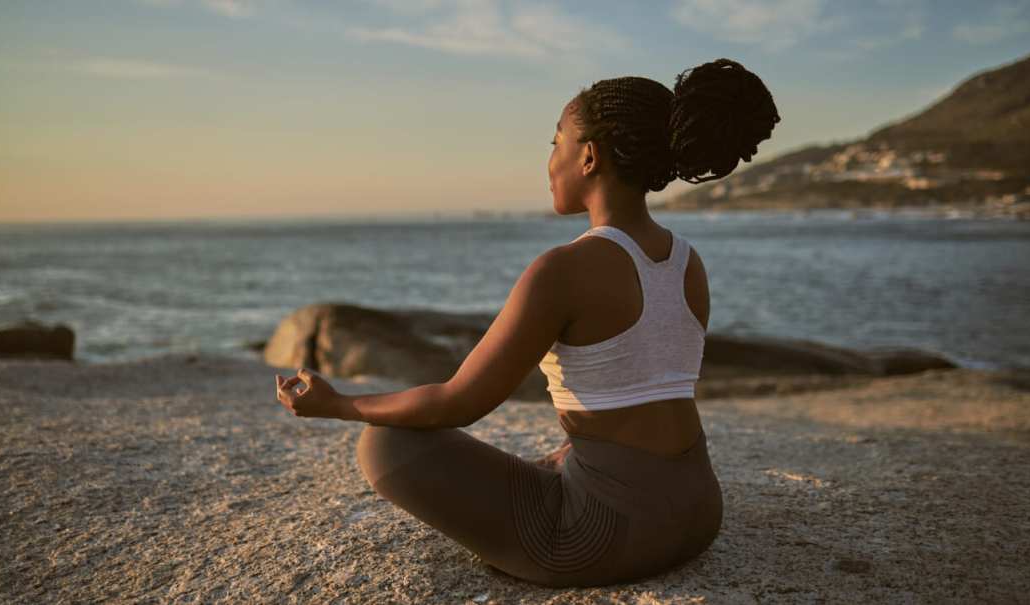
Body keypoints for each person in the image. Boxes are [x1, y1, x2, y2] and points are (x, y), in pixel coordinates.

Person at [275, 58, 780, 588]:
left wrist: (337, 405)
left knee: (385, 444)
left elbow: (458, 403)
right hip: (699, 513)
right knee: (559, 457)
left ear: (588, 156)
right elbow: (645, 391)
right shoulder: (686, 262)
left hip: (602, 540)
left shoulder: (563, 269)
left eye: (555, 141)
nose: (550, 159)